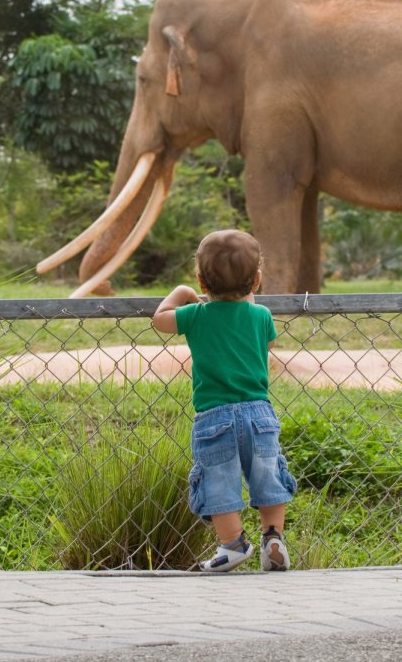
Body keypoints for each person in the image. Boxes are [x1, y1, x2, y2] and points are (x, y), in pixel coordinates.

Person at [152, 229, 297, 572]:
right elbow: (268, 345)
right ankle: (273, 537)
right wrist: (246, 302)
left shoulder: (197, 316)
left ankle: (233, 544)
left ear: (202, 282)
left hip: (214, 416)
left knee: (218, 478)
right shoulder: (260, 316)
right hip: (259, 412)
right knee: (267, 475)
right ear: (257, 281)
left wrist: (182, 292)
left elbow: (160, 319)